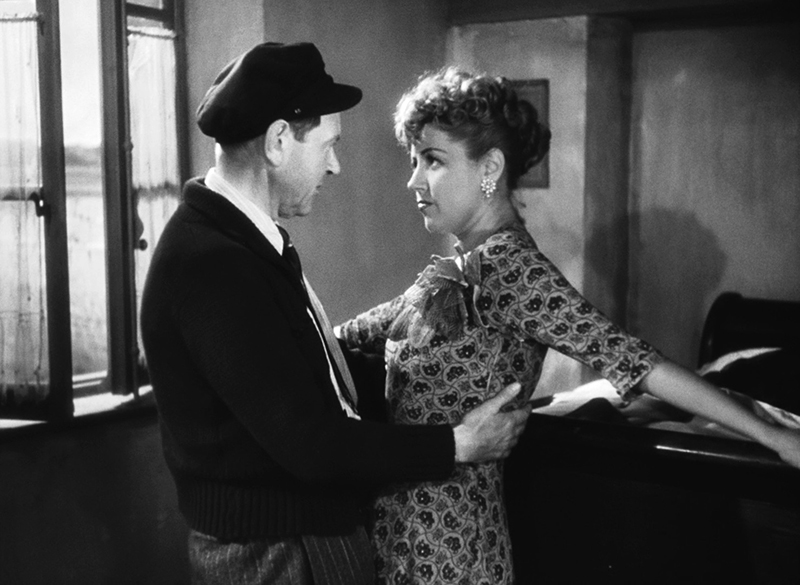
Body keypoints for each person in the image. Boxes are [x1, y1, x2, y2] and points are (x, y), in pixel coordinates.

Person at [335, 66, 800, 585]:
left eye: (433, 160)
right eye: (414, 160)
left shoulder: (514, 269)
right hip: (396, 539)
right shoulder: (457, 271)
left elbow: (633, 360)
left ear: (490, 167)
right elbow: (346, 339)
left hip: (451, 552)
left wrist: (771, 434)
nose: (414, 180)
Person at [140, 44, 531, 585]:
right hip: (275, 553)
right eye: (328, 146)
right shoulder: (213, 263)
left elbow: (305, 376)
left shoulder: (244, 240)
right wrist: (458, 443)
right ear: (278, 141)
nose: (334, 165)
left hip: (299, 538)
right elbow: (310, 443)